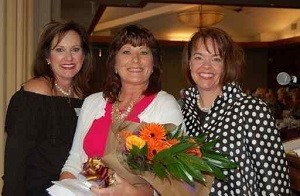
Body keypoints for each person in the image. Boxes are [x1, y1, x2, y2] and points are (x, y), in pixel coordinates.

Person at [60, 25, 183, 195]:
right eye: (126, 51)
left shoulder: (165, 105)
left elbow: (174, 179)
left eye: (144, 52)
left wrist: (134, 192)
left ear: (153, 63)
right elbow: (75, 160)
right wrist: (64, 189)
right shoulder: (92, 102)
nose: (135, 59)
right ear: (114, 63)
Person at [181, 27, 291, 195]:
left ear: (226, 65)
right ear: (190, 63)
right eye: (198, 57)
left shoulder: (251, 109)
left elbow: (274, 183)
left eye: (216, 59)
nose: (206, 66)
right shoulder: (182, 112)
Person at [3, 20, 94, 195]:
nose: (69, 58)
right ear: (47, 57)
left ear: (84, 56)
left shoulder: (86, 97)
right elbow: (15, 161)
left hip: (74, 190)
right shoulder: (34, 94)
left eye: (75, 49)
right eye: (59, 50)